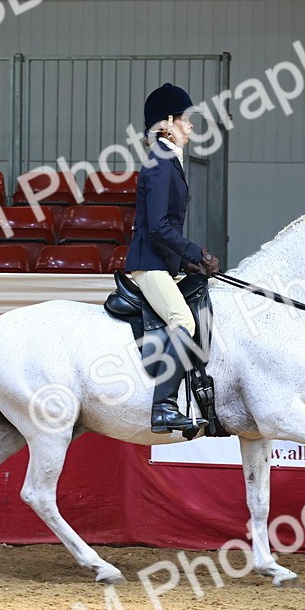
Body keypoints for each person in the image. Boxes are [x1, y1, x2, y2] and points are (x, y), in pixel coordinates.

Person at [124, 82, 220, 433]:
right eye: (187, 119)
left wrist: (188, 263)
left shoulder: (169, 161)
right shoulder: (160, 163)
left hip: (162, 261)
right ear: (167, 122)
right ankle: (164, 406)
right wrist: (199, 252)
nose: (192, 126)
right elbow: (159, 228)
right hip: (147, 263)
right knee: (183, 320)